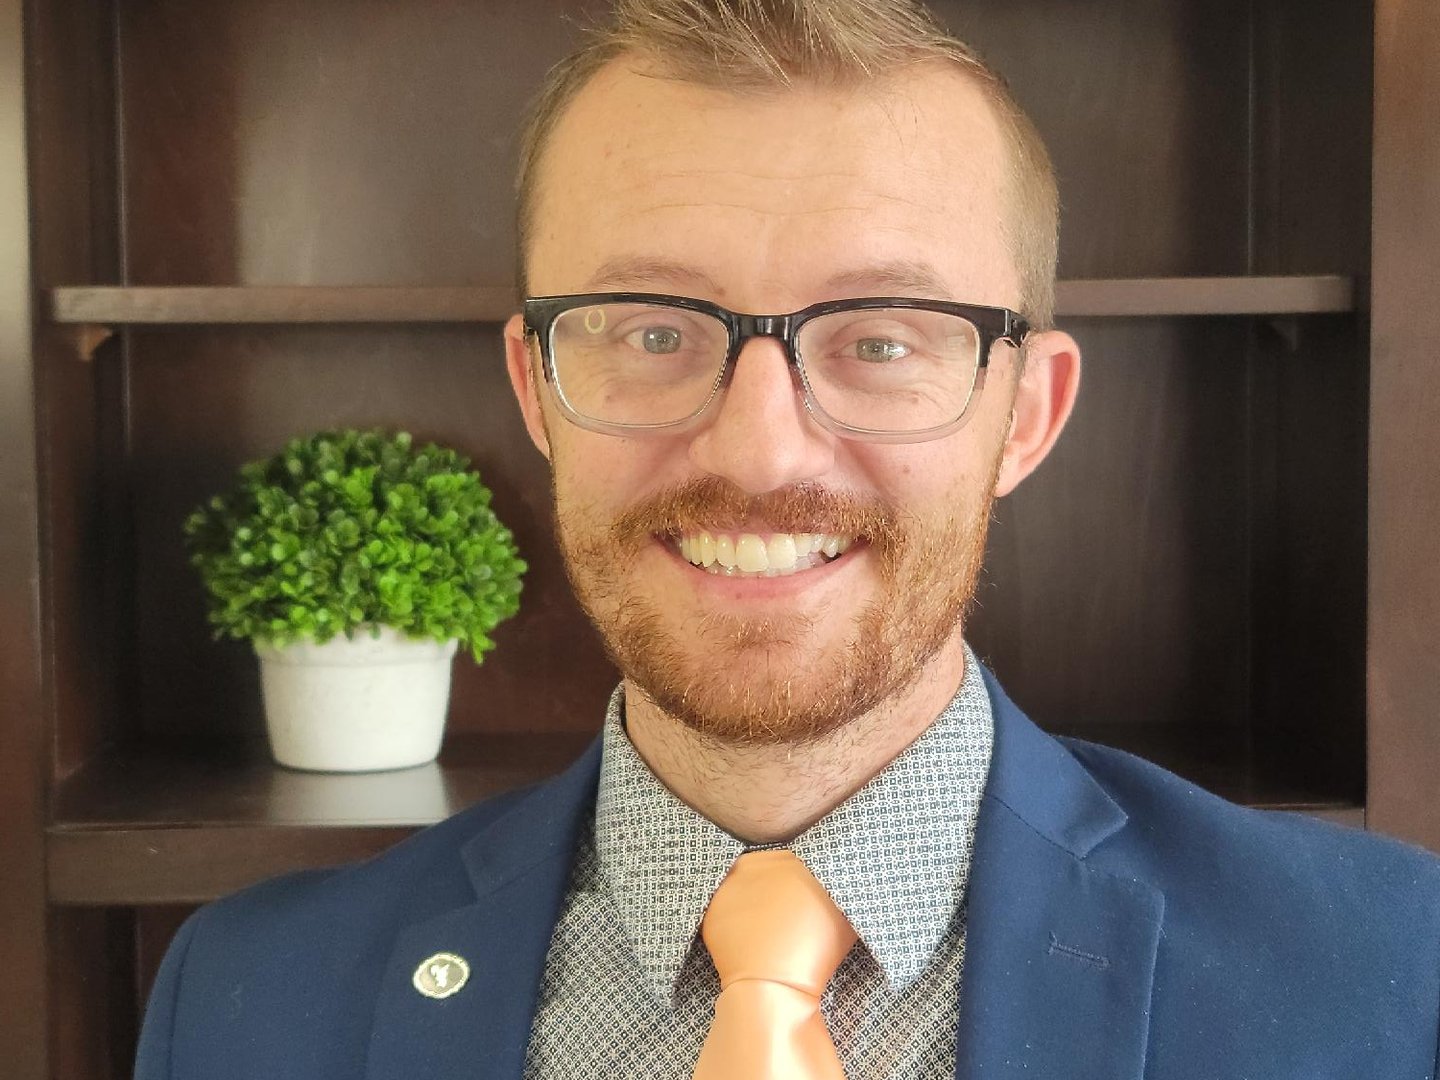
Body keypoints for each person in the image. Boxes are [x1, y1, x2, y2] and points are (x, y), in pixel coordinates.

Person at [136, 1, 1440, 1077]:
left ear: (1027, 415)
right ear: (537, 389)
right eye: (653, 330)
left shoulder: (1391, 979)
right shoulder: (248, 1002)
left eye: (883, 339)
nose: (760, 454)